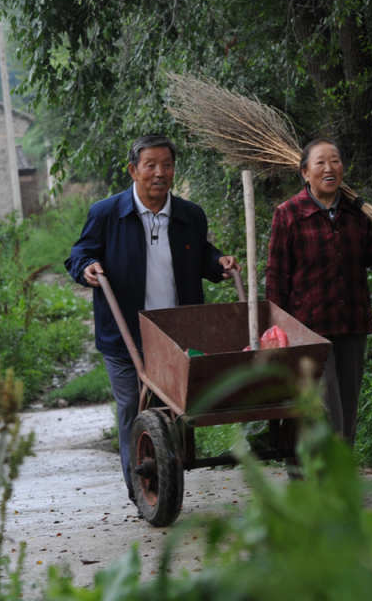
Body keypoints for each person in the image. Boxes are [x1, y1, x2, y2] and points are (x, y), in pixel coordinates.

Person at [65, 134, 239, 504]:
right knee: (132, 407)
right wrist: (87, 268)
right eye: (151, 166)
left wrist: (218, 262)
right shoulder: (107, 213)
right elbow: (79, 254)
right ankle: (142, 488)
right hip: (125, 334)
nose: (160, 173)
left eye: (168, 165)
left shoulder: (189, 215)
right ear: (134, 170)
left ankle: (165, 473)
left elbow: (202, 254)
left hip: (177, 334)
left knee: (173, 410)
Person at [266, 139, 372, 445]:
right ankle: (318, 472)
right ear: (305, 172)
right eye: (320, 162)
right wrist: (278, 329)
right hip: (309, 329)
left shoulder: (356, 212)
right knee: (326, 405)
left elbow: (370, 255)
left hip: (352, 321)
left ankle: (341, 474)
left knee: (349, 403)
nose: (329, 168)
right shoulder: (288, 214)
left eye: (335, 161)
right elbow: (276, 276)